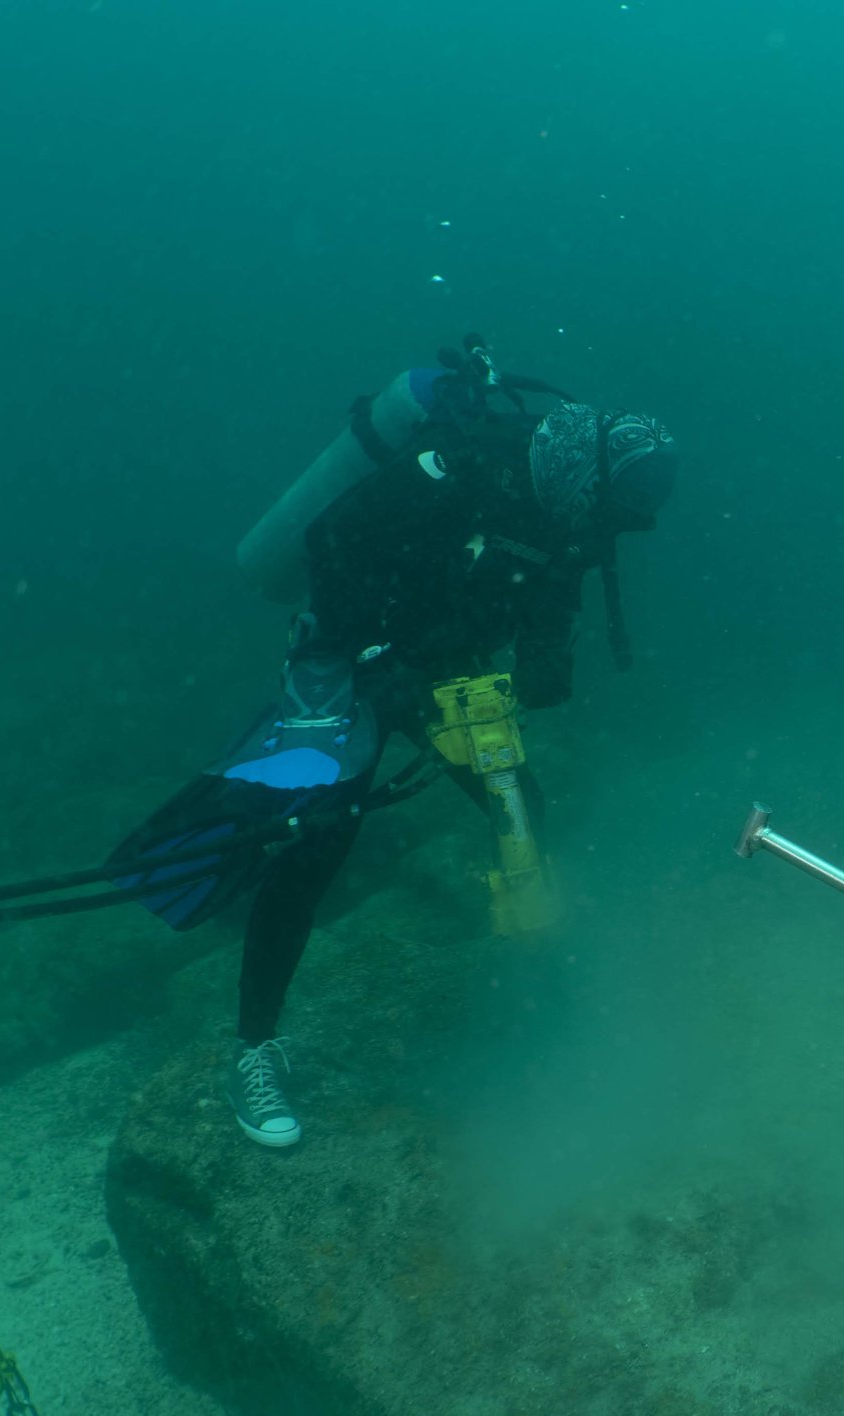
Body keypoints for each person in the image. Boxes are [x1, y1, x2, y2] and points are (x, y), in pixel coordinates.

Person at [114, 345, 677, 1149]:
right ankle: (254, 1052)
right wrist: (377, 659)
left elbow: (551, 594)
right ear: (595, 478)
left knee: (520, 806)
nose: (640, 521)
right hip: (347, 651)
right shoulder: (459, 469)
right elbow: (334, 546)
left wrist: (544, 658)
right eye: (633, 500)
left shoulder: (572, 510)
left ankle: (543, 1007)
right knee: (315, 834)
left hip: (442, 663)